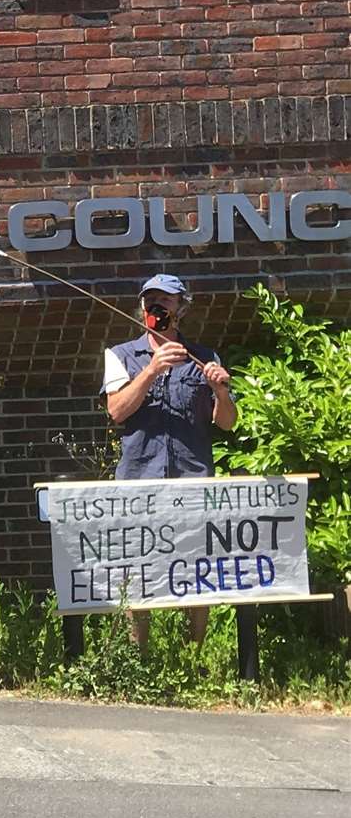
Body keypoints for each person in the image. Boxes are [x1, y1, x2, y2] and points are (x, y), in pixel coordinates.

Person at [103, 273, 235, 646]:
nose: (157, 306)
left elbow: (226, 422)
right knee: (137, 569)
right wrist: (152, 369)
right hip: (139, 478)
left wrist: (220, 391)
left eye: (166, 300)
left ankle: (194, 652)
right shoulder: (120, 355)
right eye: (151, 300)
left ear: (182, 308)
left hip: (192, 478)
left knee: (198, 566)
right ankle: (138, 654)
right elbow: (116, 411)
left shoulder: (205, 358)